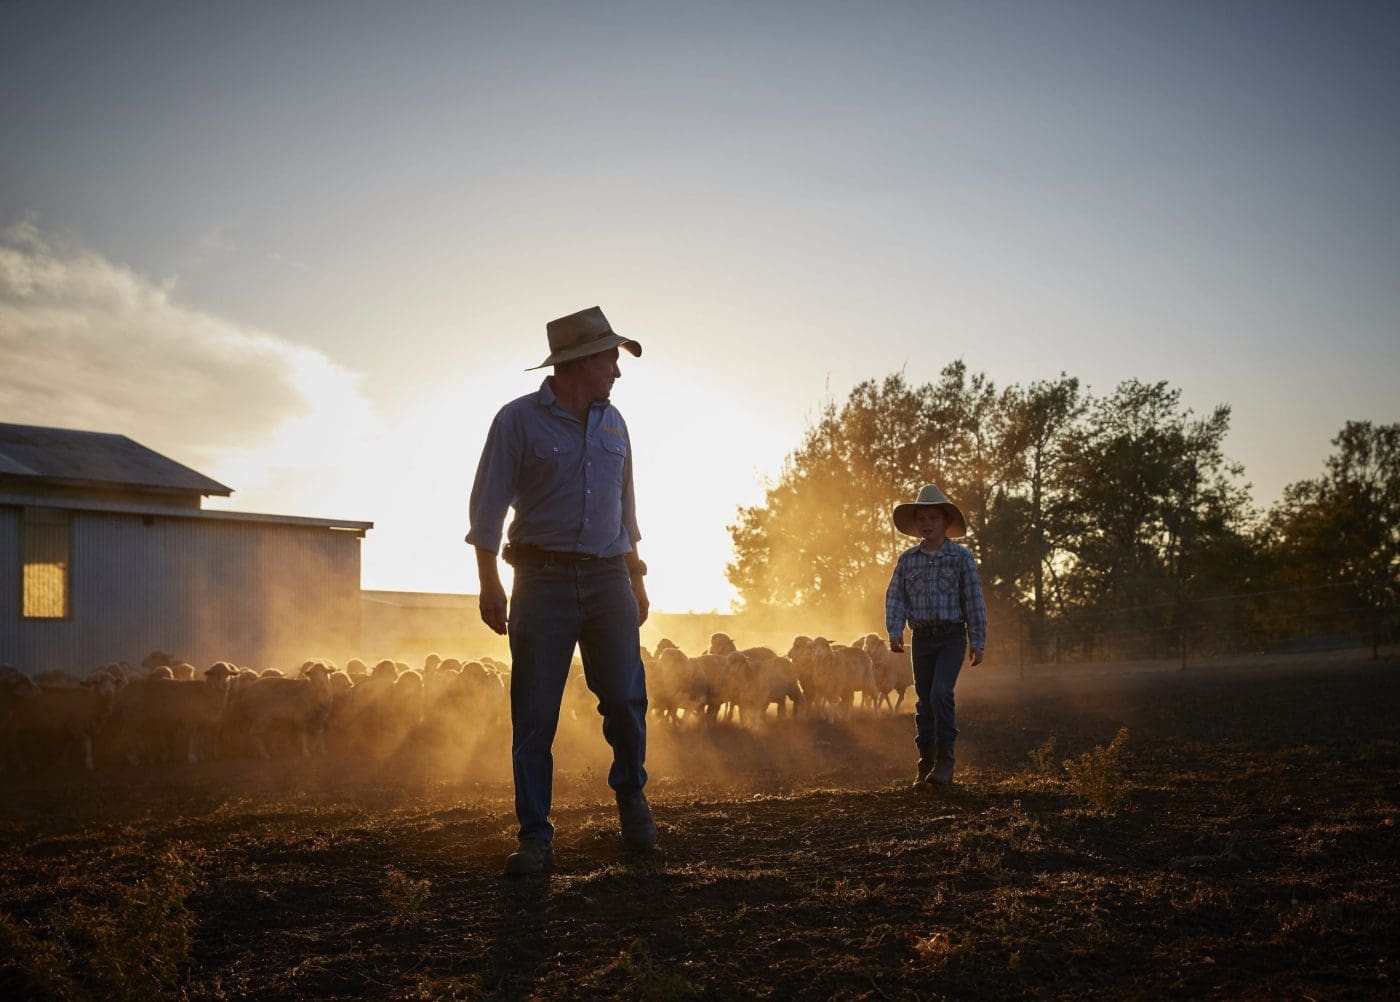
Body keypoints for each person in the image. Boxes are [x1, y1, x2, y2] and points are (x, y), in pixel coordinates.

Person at [466, 305, 655, 875]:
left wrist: (637, 574)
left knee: (625, 696)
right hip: (540, 581)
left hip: (608, 579)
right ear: (580, 362)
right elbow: (487, 506)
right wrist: (488, 583)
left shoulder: (615, 424)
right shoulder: (517, 421)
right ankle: (535, 836)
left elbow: (626, 509)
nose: (618, 373)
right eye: (610, 360)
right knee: (535, 710)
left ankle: (632, 799)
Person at [884, 484, 987, 788]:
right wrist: (894, 629)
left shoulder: (960, 558)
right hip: (922, 638)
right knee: (924, 701)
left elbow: (973, 599)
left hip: (952, 636)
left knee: (941, 693)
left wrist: (977, 640)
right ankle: (925, 762)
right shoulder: (908, 560)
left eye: (932, 517)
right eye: (921, 519)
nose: (926, 524)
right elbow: (895, 597)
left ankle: (945, 762)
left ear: (945, 522)